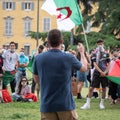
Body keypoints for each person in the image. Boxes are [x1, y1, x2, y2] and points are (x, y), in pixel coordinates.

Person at [33, 29, 87, 120]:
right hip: (65, 104)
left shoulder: (38, 58)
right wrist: (82, 53)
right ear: (62, 41)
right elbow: (84, 68)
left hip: (47, 104)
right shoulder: (69, 57)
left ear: (48, 41)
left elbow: (36, 79)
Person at [81, 39, 111, 110]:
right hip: (97, 72)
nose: (100, 44)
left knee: (104, 88)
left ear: (103, 43)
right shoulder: (94, 53)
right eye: (99, 43)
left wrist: (106, 71)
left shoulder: (106, 53)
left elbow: (109, 63)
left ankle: (102, 104)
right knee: (91, 88)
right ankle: (87, 104)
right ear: (97, 44)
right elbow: (94, 64)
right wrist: (101, 72)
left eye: (101, 43)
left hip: (105, 73)